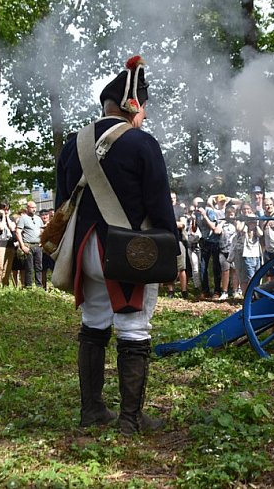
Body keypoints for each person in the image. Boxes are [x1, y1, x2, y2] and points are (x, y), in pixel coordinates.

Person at [55, 55, 177, 435]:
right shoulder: (142, 143)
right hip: (128, 253)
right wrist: (174, 254)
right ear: (131, 104)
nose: (144, 116)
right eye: (142, 107)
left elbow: (62, 202)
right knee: (133, 328)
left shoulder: (73, 144)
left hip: (84, 250)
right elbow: (160, 206)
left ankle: (92, 410)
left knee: (93, 323)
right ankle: (130, 419)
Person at [15, 201, 44, 287]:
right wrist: (22, 246)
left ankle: (39, 286)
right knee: (29, 268)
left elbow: (42, 230)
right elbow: (18, 232)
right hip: (28, 246)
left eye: (35, 207)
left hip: (38, 246)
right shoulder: (23, 218)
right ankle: (29, 286)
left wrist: (42, 241)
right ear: (27, 208)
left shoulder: (38, 219)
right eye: (32, 207)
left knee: (39, 267)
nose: (34, 209)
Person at [0, 202, 17, 287]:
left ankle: (5, 284)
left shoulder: (11, 218)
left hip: (10, 245)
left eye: (7, 209)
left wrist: (7, 217)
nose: (5, 211)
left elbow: (12, 228)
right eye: (3, 209)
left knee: (8, 268)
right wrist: (3, 217)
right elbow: (1, 227)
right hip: (0, 245)